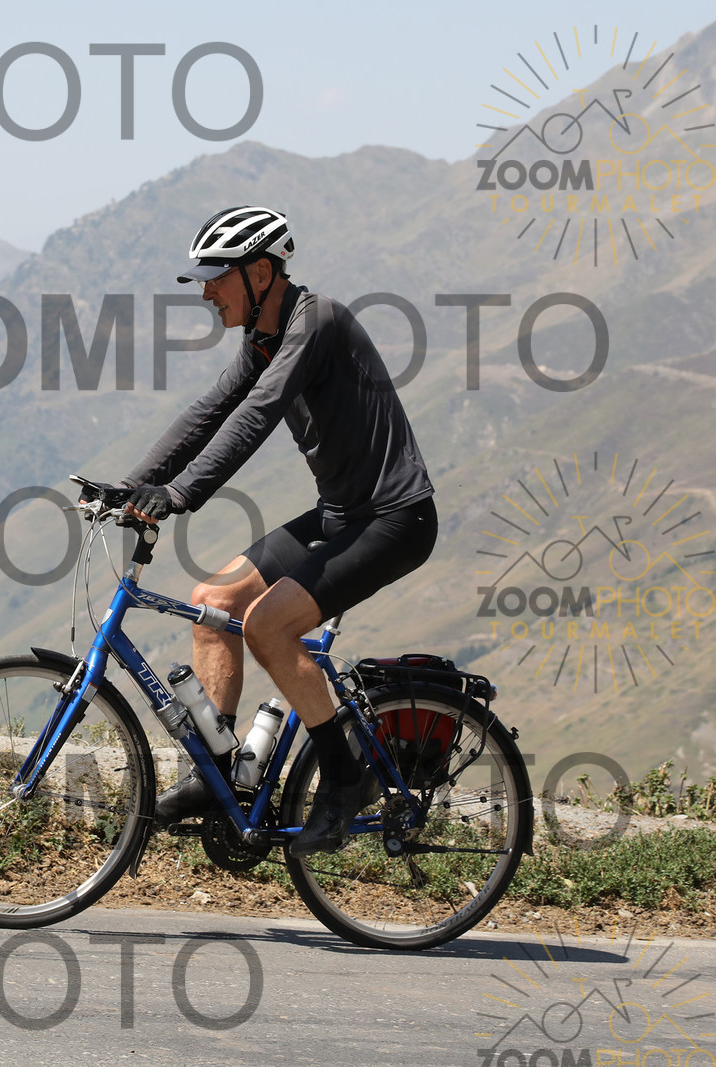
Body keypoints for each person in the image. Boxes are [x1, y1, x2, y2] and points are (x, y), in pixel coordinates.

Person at [117, 205, 437, 854]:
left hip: (394, 518)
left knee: (267, 625)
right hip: (341, 513)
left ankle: (345, 779)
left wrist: (179, 493)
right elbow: (210, 410)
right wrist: (131, 485)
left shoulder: (314, 323)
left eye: (216, 277)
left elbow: (258, 414)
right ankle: (217, 772)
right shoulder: (263, 338)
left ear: (260, 272)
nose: (206, 292)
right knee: (213, 602)